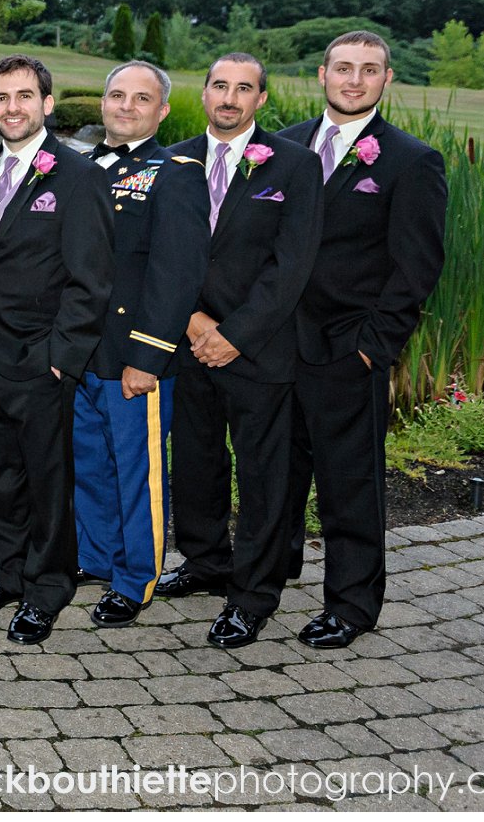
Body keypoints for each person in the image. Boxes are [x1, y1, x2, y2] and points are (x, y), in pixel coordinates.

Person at [278, 31, 447, 649]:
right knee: (277, 472)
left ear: (386, 79)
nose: (354, 80)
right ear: (321, 74)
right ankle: (273, 568)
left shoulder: (411, 160)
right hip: (275, 344)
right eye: (343, 68)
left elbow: (417, 267)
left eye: (368, 70)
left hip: (349, 346)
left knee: (350, 484)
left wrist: (375, 345)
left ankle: (350, 604)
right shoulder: (283, 146)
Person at [158, 53, 322, 649]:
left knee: (263, 478)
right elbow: (159, 256)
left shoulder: (296, 165)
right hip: (188, 343)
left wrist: (235, 335)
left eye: (244, 88)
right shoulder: (171, 158)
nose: (229, 97)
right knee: (196, 463)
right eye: (220, 86)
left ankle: (252, 595)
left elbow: (292, 265)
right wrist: (196, 324)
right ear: (203, 93)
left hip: (261, 350)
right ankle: (204, 562)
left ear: (261, 100)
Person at [0, 54, 113, 645]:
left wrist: (61, 355)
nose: (11, 108)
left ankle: (47, 587)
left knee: (47, 480)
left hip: (39, 358)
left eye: (24, 96)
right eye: (0, 98)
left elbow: (91, 278)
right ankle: (9, 572)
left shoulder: (77, 175)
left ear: (46, 104)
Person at [70, 61, 207, 630]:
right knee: (89, 465)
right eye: (117, 95)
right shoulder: (77, 166)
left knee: (137, 472)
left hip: (132, 354)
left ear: (163, 110)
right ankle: (95, 558)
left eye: (141, 98)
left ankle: (135, 579)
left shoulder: (174, 173)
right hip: (79, 351)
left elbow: (177, 274)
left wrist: (147, 356)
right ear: (103, 103)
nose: (126, 106)